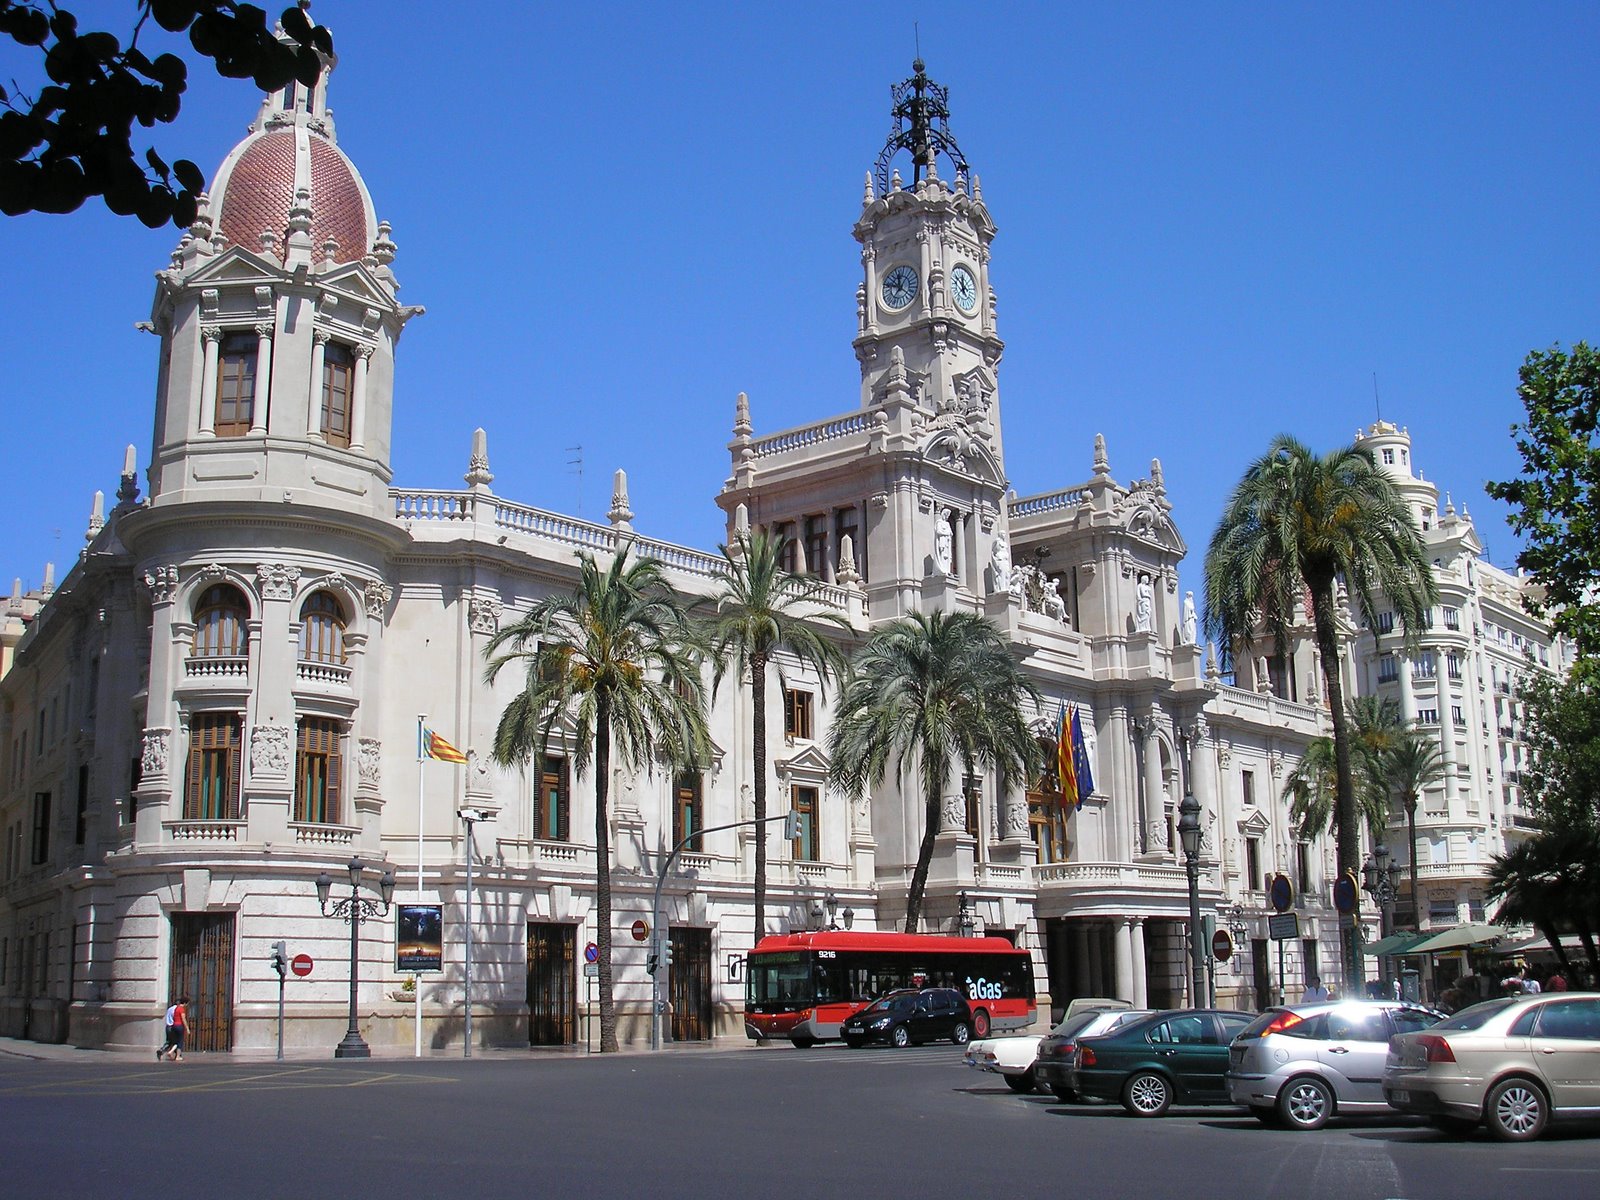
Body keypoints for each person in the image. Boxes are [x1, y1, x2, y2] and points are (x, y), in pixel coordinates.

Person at [160, 994, 190, 1062]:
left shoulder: (176, 1008)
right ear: (185, 1003)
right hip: (179, 1026)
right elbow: (183, 1019)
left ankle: (171, 1051)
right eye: (187, 1003)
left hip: (174, 1025)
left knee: (175, 1041)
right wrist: (187, 1028)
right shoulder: (181, 1009)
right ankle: (177, 1056)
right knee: (180, 1041)